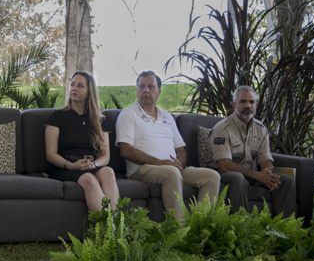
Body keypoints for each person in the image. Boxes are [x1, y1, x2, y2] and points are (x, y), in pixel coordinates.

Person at [115, 70, 220, 221]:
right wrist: (162, 163)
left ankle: (200, 227)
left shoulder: (167, 116)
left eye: (150, 87)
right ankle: (179, 232)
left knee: (212, 176)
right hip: (141, 170)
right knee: (171, 173)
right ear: (136, 90)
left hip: (172, 168)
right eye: (141, 86)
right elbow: (126, 150)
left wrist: (181, 163)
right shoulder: (128, 114)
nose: (145, 90)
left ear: (158, 92)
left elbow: (180, 149)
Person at [208, 85, 296, 216]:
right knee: (238, 178)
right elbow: (224, 165)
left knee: (285, 180)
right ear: (233, 105)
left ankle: (286, 230)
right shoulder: (222, 129)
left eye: (251, 102)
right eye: (243, 101)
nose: (248, 105)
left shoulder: (260, 129)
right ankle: (242, 228)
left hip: (249, 174)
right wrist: (257, 175)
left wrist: (268, 173)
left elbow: (265, 158)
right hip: (223, 175)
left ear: (256, 105)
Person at [45, 71, 120, 211]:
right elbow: (50, 154)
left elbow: (105, 156)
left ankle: (113, 227)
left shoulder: (99, 120)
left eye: (80, 86)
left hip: (90, 165)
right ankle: (113, 230)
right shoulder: (57, 116)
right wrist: (72, 165)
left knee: (108, 172)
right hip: (65, 167)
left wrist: (94, 164)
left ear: (89, 91)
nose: (74, 88)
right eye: (72, 84)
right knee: (89, 180)